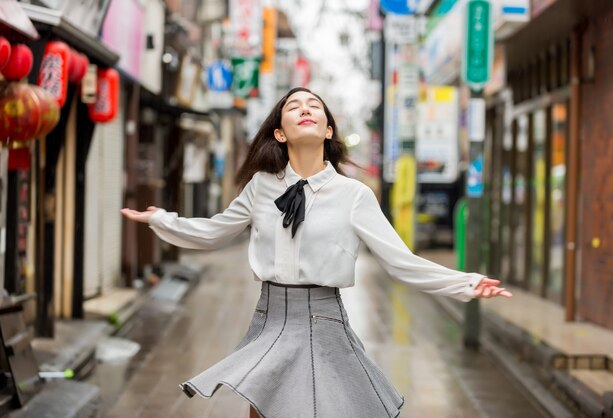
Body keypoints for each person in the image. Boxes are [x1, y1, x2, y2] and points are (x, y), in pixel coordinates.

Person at [121, 87, 512, 418]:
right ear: (279, 133)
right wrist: (163, 219)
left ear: (327, 130)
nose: (304, 108)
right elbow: (213, 232)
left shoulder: (354, 195)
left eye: (314, 106)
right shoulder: (260, 187)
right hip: (269, 322)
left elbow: (400, 261)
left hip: (326, 326)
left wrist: (467, 284)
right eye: (293, 106)